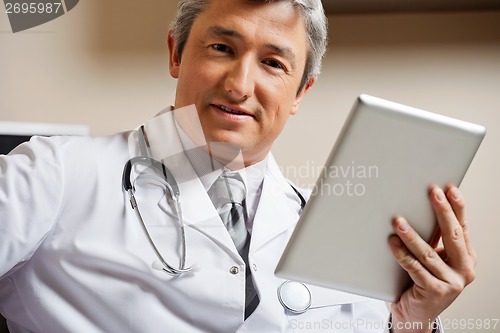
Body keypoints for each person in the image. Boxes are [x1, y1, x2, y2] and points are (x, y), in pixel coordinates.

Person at [0, 0, 476, 332]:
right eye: (222, 48)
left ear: (300, 93)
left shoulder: (330, 228)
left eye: (273, 63)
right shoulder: (56, 173)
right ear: (175, 53)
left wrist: (413, 321)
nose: (240, 84)